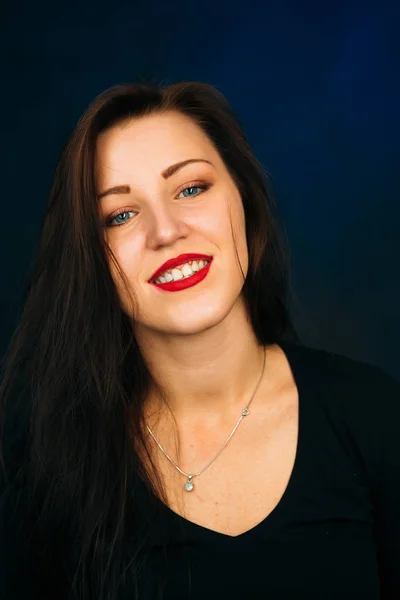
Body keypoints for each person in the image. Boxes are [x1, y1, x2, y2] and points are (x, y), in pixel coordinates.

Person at [0, 79, 399, 600]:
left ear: (244, 202)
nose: (165, 231)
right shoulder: (42, 468)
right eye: (120, 215)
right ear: (92, 260)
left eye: (191, 188)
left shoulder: (375, 415)